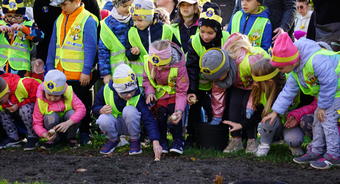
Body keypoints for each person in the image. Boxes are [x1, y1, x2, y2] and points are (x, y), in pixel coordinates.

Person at [262, 32, 340, 169]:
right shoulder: (295, 69)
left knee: (327, 119)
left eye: (281, 67)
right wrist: (275, 112)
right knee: (318, 120)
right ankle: (316, 150)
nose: (280, 71)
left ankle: (334, 154)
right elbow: (288, 92)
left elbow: (329, 83)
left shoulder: (316, 60)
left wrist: (322, 106)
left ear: (290, 61)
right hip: (331, 93)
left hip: (336, 91)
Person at [46, 0, 98, 145]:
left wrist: (86, 71)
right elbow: (53, 44)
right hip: (60, 72)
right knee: (64, 106)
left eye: (64, 4)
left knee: (83, 104)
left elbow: (90, 47)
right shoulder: (60, 17)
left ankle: (84, 132)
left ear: (76, 1)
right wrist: (50, 67)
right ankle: (64, 136)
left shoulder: (88, 19)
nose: (62, 8)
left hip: (79, 74)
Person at [93, 64, 162, 160]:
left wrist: (155, 141)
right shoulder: (105, 90)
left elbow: (148, 119)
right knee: (102, 119)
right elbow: (94, 108)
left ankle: (135, 140)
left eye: (132, 91)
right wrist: (100, 110)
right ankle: (113, 140)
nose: (129, 95)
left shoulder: (137, 96)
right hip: (114, 124)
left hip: (132, 126)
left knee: (129, 111)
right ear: (116, 89)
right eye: (125, 92)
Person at [185, 2, 230, 146]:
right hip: (200, 83)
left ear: (218, 31)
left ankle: (219, 137)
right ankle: (192, 136)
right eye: (202, 31)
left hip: (221, 84)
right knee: (195, 109)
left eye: (210, 33)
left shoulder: (226, 39)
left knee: (218, 109)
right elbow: (191, 68)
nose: (205, 36)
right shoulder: (194, 41)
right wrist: (192, 90)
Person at [222, 33, 269, 153]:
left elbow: (258, 82)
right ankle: (236, 139)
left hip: (254, 87)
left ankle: (251, 140)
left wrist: (251, 100)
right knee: (234, 109)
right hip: (238, 87)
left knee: (249, 111)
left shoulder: (252, 59)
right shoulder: (230, 60)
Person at [143, 40, 189, 154]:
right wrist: (150, 92)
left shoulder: (179, 65)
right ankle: (162, 141)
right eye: (156, 65)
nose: (158, 68)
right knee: (161, 115)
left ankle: (178, 141)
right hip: (159, 95)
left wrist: (179, 110)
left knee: (174, 114)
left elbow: (182, 90)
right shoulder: (149, 62)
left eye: (162, 65)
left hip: (175, 95)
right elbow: (146, 80)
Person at [126, 0, 180, 86]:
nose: (136, 24)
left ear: (149, 17)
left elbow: (177, 50)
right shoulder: (132, 32)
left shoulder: (166, 29)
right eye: (134, 20)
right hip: (142, 81)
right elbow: (128, 54)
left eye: (140, 20)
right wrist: (133, 53)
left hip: (164, 78)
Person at [33, 70, 86, 149]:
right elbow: (36, 123)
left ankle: (70, 138)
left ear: (62, 93)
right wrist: (44, 134)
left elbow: (82, 109)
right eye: (49, 95)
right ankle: (53, 139)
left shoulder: (69, 93)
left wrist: (69, 122)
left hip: (68, 125)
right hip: (52, 127)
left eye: (56, 96)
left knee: (72, 113)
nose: (52, 98)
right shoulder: (40, 99)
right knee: (51, 116)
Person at [33, 0, 100, 63]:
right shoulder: (40, 3)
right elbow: (41, 33)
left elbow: (96, 34)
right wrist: (40, 57)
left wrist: (90, 65)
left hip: (80, 62)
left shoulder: (89, 3)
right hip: (51, 59)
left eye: (64, 4)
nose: (62, 8)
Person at [0, 0, 44, 77]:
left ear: (22, 15)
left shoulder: (29, 24)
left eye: (17, 16)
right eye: (9, 16)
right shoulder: (1, 23)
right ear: (5, 15)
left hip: (21, 70)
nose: (13, 19)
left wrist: (23, 29)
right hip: (1, 68)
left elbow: (40, 36)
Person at [0, 73, 40, 150]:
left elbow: (40, 98)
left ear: (7, 92)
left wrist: (18, 105)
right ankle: (13, 137)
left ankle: (33, 136)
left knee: (24, 109)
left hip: (34, 111)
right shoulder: (4, 94)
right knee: (2, 111)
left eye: (0, 101)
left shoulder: (25, 84)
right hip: (15, 112)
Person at [98, 0, 133, 84]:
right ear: (116, 5)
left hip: (134, 69)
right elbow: (103, 51)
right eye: (124, 6)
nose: (128, 9)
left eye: (131, 6)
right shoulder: (107, 24)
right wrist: (106, 73)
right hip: (116, 70)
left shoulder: (135, 20)